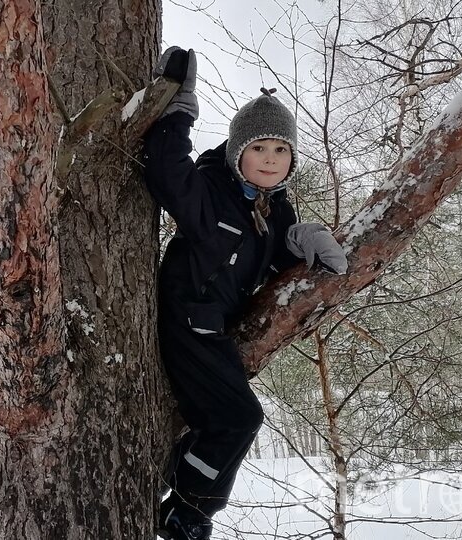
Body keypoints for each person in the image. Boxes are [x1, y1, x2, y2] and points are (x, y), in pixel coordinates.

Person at [143, 48, 348, 540]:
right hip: (188, 322)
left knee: (226, 421)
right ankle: (189, 513)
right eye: (260, 149)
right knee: (239, 419)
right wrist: (179, 109)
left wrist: (302, 239)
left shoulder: (274, 211)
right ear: (238, 152)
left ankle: (181, 493)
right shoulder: (212, 191)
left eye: (281, 151)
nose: (271, 160)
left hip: (214, 329)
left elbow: (275, 259)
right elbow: (165, 171)